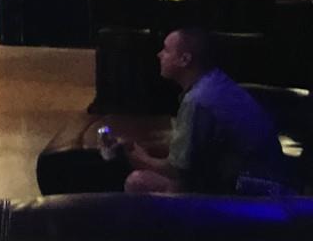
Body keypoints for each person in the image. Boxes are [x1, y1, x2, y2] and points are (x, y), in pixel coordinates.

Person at [123, 27, 286, 195]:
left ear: (184, 59)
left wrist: (135, 156)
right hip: (268, 182)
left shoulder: (198, 100)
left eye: (166, 50)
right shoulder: (216, 83)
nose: (159, 55)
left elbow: (177, 170)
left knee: (138, 182)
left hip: (250, 194)